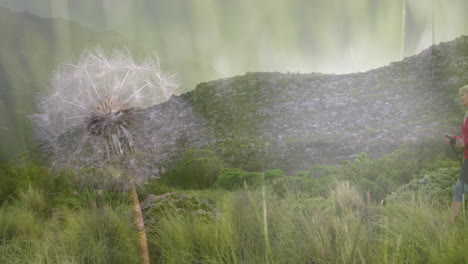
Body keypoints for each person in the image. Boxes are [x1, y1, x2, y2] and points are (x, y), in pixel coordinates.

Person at [444, 84, 468, 221]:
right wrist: (454, 139)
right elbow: (466, 138)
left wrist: (465, 143)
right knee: (460, 190)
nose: (461, 98)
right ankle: (450, 222)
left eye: (463, 94)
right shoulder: (466, 114)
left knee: (460, 190)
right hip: (467, 159)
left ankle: (449, 223)